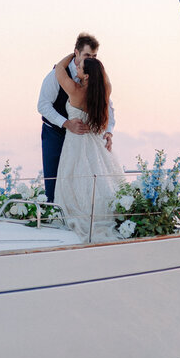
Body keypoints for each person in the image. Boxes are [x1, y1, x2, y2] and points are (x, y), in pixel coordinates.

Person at [53, 52, 124, 238]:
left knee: (75, 185)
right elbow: (103, 78)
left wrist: (73, 53)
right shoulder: (105, 90)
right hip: (96, 143)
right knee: (100, 183)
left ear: (86, 76)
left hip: (76, 143)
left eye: (79, 66)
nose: (76, 66)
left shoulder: (76, 91)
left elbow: (58, 69)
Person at [37, 33, 114, 202]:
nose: (91, 60)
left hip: (85, 138)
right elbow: (43, 105)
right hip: (55, 133)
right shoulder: (56, 77)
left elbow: (108, 107)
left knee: (87, 180)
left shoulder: (95, 79)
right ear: (76, 53)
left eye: (94, 56)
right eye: (87, 55)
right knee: (55, 181)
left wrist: (109, 131)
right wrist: (66, 124)